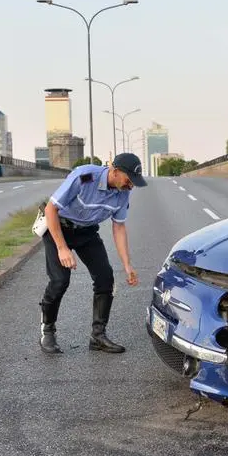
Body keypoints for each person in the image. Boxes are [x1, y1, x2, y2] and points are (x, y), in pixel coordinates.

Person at [38, 152, 147, 354]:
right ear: (115, 171)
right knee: (60, 281)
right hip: (59, 228)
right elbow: (51, 210)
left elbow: (119, 228)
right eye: (129, 180)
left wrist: (127, 264)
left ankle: (98, 336)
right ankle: (48, 329)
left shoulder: (123, 192)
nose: (131, 185)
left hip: (87, 232)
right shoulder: (84, 177)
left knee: (105, 278)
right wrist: (62, 248)